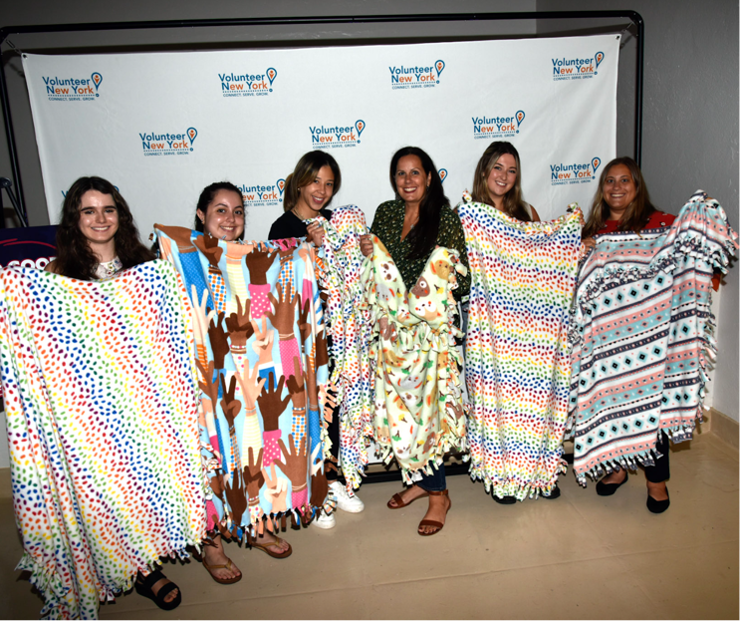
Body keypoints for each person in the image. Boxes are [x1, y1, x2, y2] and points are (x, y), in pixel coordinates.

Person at [47, 177, 182, 610]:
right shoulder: (57, 276)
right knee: (110, 491)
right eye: (88, 211)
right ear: (75, 219)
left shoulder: (146, 266)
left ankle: (147, 557)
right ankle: (137, 571)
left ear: (120, 215)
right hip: (90, 406)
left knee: (146, 485)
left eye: (108, 209)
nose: (100, 219)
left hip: (145, 398)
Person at [362, 146, 470, 536]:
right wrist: (367, 251)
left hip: (428, 336)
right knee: (402, 412)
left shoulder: (445, 217)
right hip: (393, 335)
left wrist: (428, 294)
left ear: (429, 177)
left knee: (429, 413)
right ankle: (421, 481)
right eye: (401, 173)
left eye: (415, 173)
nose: (408, 180)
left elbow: (462, 278)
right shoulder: (386, 213)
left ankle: (439, 494)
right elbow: (374, 270)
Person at [193, 181, 292, 580]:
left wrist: (308, 250)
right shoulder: (184, 258)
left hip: (246, 378)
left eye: (237, 212)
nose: (230, 219)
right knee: (209, 454)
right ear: (201, 215)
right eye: (220, 210)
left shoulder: (251, 258)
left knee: (250, 451)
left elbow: (268, 308)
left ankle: (255, 525)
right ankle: (211, 544)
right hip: (203, 378)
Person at [268, 152, 365, 529]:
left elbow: (354, 275)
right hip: (302, 337)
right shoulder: (283, 225)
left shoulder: (336, 222)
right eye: (315, 181)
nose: (321, 190)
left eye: (329, 184)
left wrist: (364, 251)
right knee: (308, 411)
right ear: (299, 182)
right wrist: (304, 245)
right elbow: (278, 281)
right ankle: (314, 490)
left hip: (338, 334)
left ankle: (335, 479)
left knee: (335, 410)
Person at [581, 157, 676, 513]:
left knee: (652, 411)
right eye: (610, 180)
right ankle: (617, 469)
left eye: (624, 180)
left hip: (648, 342)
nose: (616, 187)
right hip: (607, 342)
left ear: (637, 186)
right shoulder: (594, 230)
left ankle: (656, 481)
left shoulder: (660, 224)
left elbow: (686, 252)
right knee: (611, 406)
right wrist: (580, 251)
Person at [470, 140, 540, 222]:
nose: (504, 177)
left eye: (511, 171)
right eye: (498, 168)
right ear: (484, 170)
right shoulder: (465, 212)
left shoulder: (529, 212)